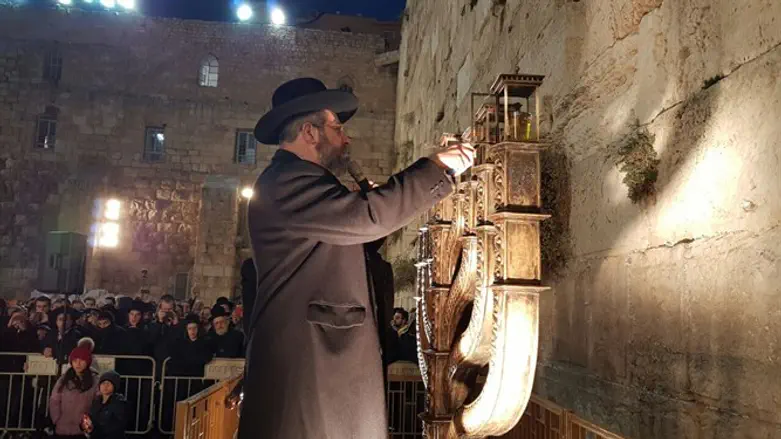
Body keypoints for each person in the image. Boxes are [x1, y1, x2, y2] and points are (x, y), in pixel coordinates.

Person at [238, 77, 474, 439]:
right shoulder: (287, 182)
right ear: (309, 131)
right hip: (309, 364)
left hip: (318, 362)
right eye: (336, 126)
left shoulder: (299, 181)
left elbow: (337, 243)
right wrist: (436, 168)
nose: (345, 138)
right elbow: (366, 217)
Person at [49, 345, 99, 438]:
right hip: (62, 427)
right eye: (75, 361)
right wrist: (56, 419)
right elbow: (54, 400)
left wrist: (89, 421)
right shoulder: (63, 379)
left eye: (81, 361)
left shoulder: (94, 381)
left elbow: (98, 402)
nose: (78, 364)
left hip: (82, 429)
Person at [82, 370, 127, 439]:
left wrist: (95, 430)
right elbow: (91, 418)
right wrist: (85, 425)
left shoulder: (119, 403)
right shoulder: (96, 401)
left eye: (109, 383)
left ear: (115, 386)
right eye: (103, 383)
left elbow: (116, 426)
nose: (105, 386)